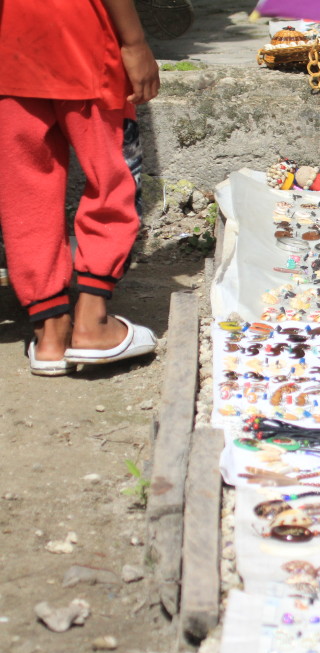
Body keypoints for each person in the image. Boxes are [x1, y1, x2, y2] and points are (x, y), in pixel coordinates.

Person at [0, 0, 160, 376]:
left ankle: (50, 334)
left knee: (26, 196)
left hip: (12, 47)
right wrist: (135, 42)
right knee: (112, 179)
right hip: (85, 41)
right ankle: (91, 324)